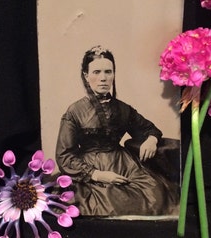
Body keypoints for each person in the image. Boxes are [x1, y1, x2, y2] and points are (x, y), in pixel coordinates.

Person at [55, 45, 179, 217]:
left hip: (123, 163)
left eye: (108, 72)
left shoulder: (123, 109)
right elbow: (64, 156)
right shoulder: (75, 111)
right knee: (109, 202)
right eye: (96, 72)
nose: (103, 78)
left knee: (156, 195)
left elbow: (149, 129)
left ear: (114, 74)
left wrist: (151, 139)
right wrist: (98, 175)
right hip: (90, 168)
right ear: (86, 76)